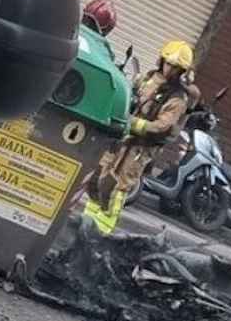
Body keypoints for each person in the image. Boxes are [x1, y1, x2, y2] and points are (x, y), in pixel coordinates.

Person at [82, 40, 201, 235]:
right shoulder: (148, 79)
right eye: (167, 62)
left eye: (174, 67)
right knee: (99, 177)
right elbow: (129, 94)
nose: (168, 68)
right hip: (120, 139)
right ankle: (85, 223)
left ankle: (101, 231)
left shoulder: (177, 98)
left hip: (139, 148)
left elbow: (164, 125)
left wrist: (135, 124)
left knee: (118, 186)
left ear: (181, 71)